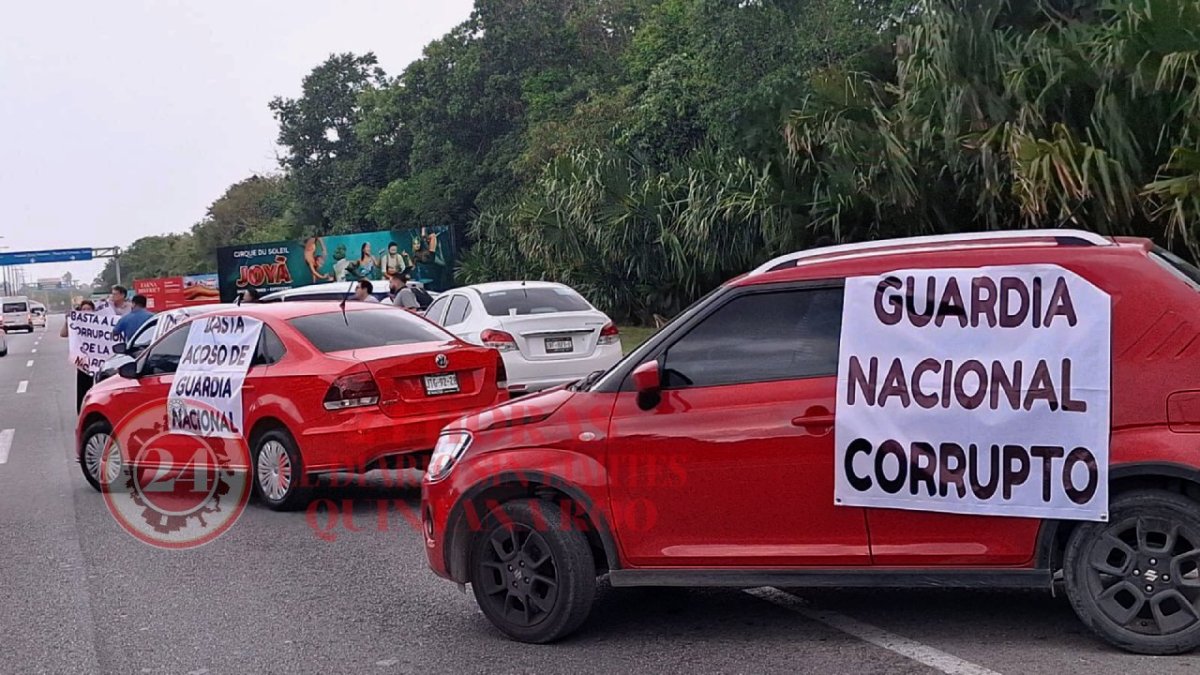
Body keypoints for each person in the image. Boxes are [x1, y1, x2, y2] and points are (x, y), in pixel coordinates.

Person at [61, 300, 97, 411]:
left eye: (88, 309)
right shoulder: (77, 323)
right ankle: (82, 411)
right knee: (83, 388)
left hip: (99, 360)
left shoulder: (99, 323)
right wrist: (68, 321)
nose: (86, 311)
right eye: (84, 309)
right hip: (84, 361)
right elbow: (63, 334)